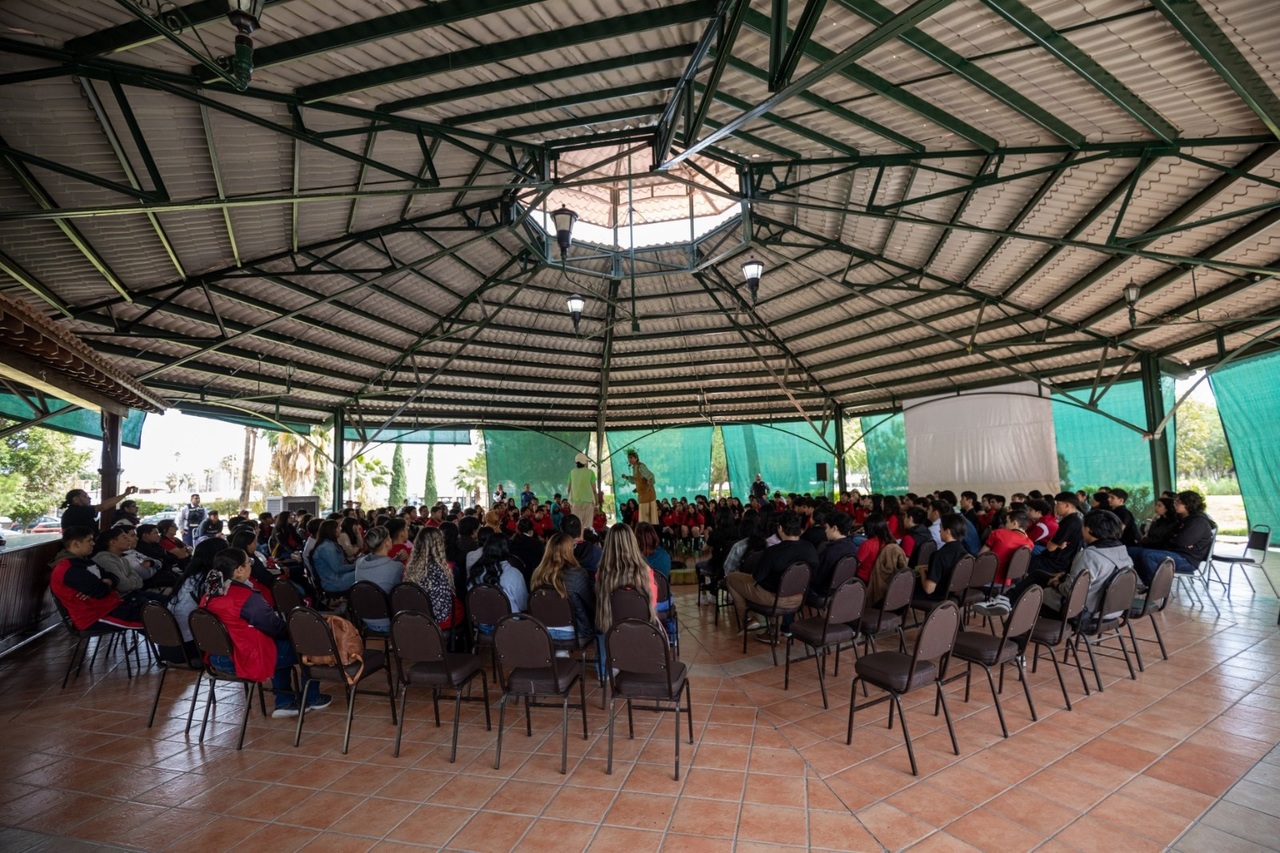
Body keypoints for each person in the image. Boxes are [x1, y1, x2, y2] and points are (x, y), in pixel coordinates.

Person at [198, 548, 329, 718]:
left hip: (217, 658)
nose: (250, 567)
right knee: (312, 645)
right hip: (244, 658)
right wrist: (297, 635)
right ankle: (311, 697)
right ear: (239, 570)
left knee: (278, 646)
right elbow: (274, 626)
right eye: (248, 563)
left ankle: (285, 701)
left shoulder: (209, 594)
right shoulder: (244, 597)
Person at [724, 511, 818, 632]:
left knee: (731, 578)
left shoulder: (773, 551)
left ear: (779, 528)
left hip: (774, 599)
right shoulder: (810, 548)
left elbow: (757, 577)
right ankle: (770, 628)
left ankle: (748, 619)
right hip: (799, 597)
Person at [49, 527, 148, 631]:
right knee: (155, 621)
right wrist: (104, 583)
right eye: (89, 540)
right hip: (95, 617)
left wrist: (106, 582)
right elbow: (101, 591)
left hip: (112, 606)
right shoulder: (68, 568)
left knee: (154, 612)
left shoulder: (85, 561)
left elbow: (114, 578)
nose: (93, 543)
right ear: (76, 544)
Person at [1128, 490, 1215, 585]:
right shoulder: (1185, 519)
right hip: (1176, 553)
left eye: (1179, 502)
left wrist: (1172, 538)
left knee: (1147, 555)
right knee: (1131, 551)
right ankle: (1148, 583)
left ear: (1188, 504)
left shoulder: (1198, 522)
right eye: (1175, 502)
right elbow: (1171, 537)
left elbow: (1180, 542)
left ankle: (1157, 586)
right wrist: (1172, 538)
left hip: (1187, 559)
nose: (1175, 504)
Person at [530, 532, 596, 643]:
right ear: (569, 550)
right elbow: (590, 603)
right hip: (575, 631)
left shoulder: (537, 574)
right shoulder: (577, 574)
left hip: (543, 629)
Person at [404, 527, 463, 629]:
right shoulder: (449, 568)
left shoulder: (408, 568)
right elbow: (460, 593)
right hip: (444, 620)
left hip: (417, 616)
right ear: (440, 544)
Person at [466, 534, 528, 618]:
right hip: (509, 625)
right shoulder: (513, 574)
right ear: (507, 550)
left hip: (482, 623)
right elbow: (524, 605)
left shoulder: (475, 571)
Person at [354, 526, 402, 632]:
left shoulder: (359, 562)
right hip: (387, 621)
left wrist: (394, 560)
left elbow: (378, 571)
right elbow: (398, 594)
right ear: (386, 543)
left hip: (364, 617)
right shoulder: (396, 567)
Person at [914, 513, 967, 601]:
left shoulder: (939, 555)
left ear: (948, 531)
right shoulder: (964, 552)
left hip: (937, 596)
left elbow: (929, 589)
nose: (939, 531)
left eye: (941, 528)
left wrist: (923, 572)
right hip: (952, 593)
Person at [981, 510, 1034, 585]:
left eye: (1007, 522)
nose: (1005, 525)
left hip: (984, 579)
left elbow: (981, 555)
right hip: (1005, 584)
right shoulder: (1030, 544)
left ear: (1014, 523)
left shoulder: (999, 533)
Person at [59, 485, 139, 532]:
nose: (89, 498)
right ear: (75, 499)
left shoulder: (77, 511)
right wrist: (125, 494)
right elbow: (103, 506)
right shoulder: (76, 510)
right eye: (85, 496)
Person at [311, 519, 356, 593]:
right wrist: (356, 566)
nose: (340, 529)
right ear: (331, 531)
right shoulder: (327, 547)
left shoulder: (328, 544)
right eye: (338, 527)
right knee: (364, 572)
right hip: (333, 582)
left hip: (334, 579)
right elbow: (338, 568)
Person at [620, 449, 657, 525]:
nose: (629, 459)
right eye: (628, 458)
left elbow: (650, 476)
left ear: (636, 458)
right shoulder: (634, 468)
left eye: (631, 457)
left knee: (648, 520)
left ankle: (649, 535)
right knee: (644, 519)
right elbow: (635, 481)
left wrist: (650, 481)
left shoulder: (641, 466)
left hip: (648, 495)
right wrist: (627, 477)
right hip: (642, 495)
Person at [567, 453, 597, 528]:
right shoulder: (590, 473)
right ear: (585, 462)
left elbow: (568, 489)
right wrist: (597, 504)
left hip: (575, 504)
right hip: (589, 503)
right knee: (588, 527)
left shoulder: (571, 473)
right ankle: (587, 539)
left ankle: (578, 540)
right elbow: (594, 490)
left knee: (577, 527)